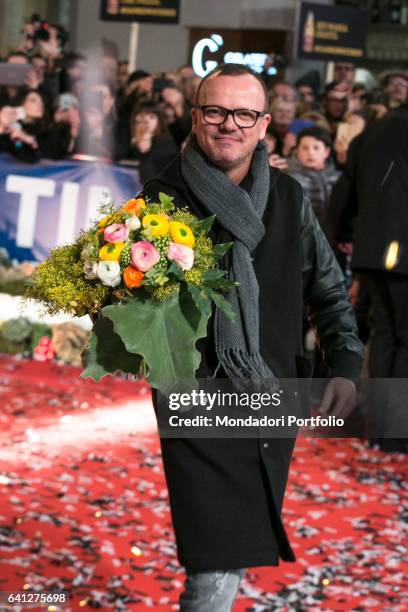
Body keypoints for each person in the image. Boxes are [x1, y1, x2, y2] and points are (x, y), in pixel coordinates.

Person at [142, 64, 363, 611]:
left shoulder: (288, 198)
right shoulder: (158, 201)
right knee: (216, 557)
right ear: (195, 118)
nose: (228, 125)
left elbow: (329, 289)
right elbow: (132, 316)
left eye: (244, 114)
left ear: (264, 124)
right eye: (215, 111)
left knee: (229, 558)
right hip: (196, 402)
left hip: (271, 391)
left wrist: (344, 363)